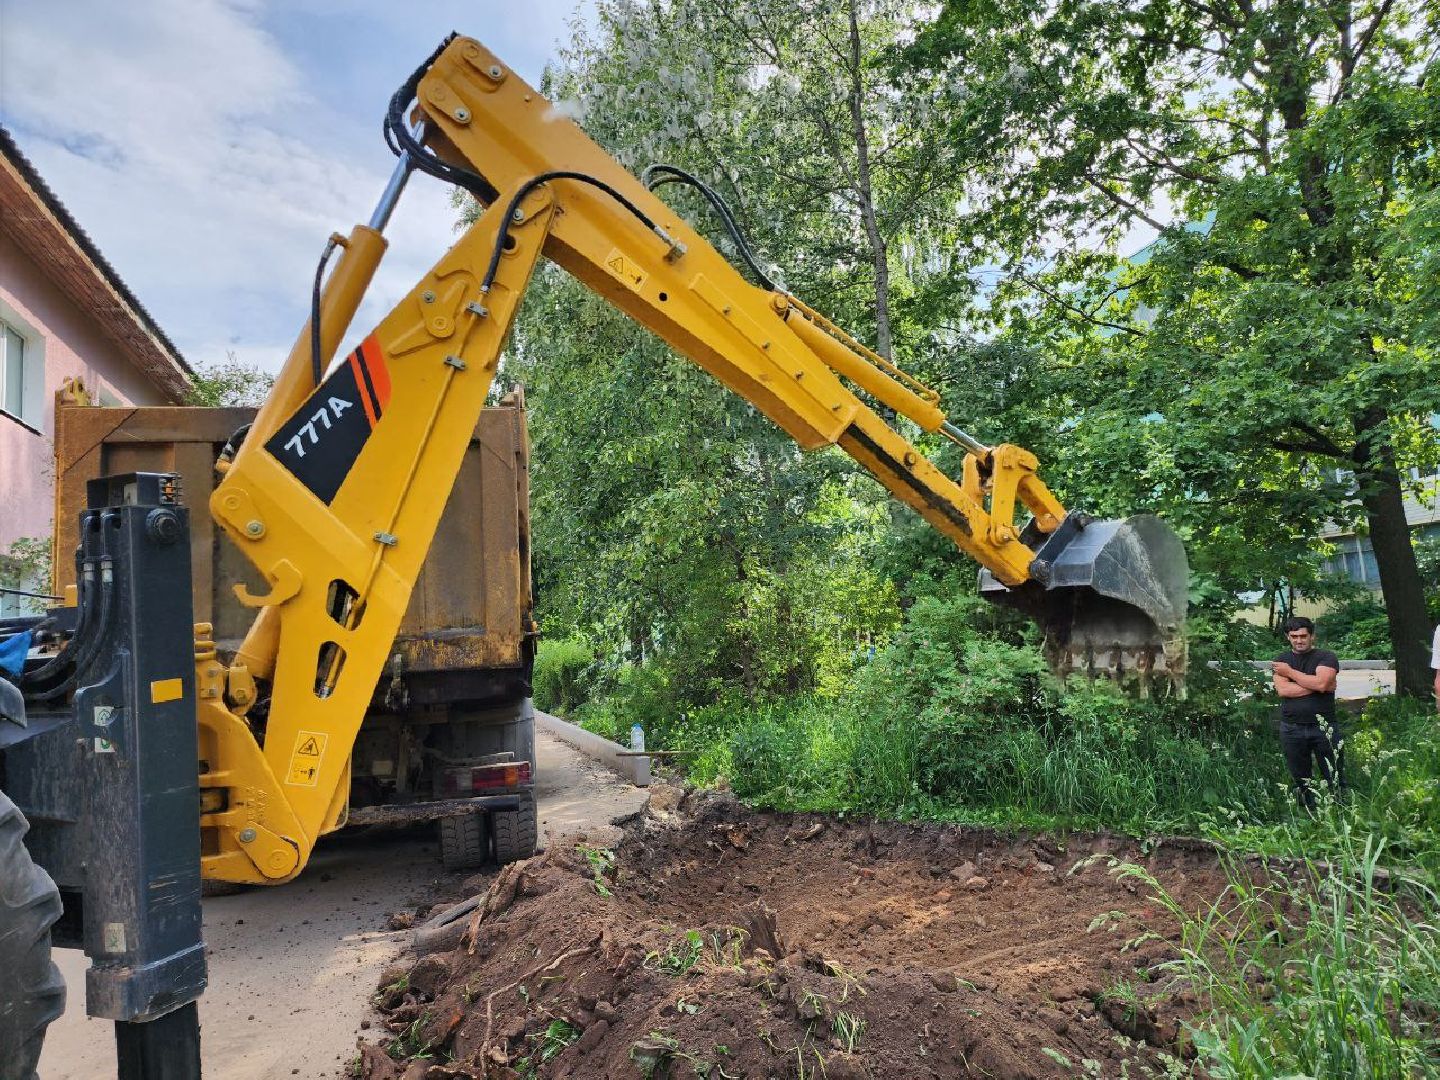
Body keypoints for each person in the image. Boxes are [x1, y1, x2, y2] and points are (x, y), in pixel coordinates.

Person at [1272, 615, 1342, 812]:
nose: (1299, 640)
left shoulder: (1326, 657)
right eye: (1294, 636)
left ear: (1312, 636)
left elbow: (1322, 682)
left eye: (1303, 636)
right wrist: (1320, 686)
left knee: (1333, 773)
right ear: (1288, 637)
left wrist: (1292, 674)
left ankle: (1340, 812)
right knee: (1301, 778)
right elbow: (1284, 691)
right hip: (1291, 728)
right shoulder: (1282, 660)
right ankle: (1307, 816)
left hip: (1324, 727)